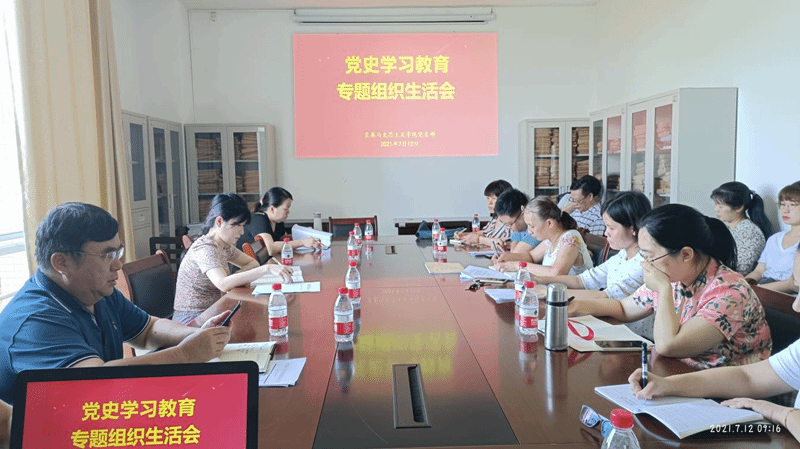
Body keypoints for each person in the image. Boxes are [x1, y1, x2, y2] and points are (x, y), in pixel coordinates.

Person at [0, 203, 235, 405]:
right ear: (62, 262)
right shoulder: (33, 322)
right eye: (107, 255)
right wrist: (185, 355)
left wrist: (196, 334)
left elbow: (148, 330)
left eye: (118, 252)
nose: (118, 265)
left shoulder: (95, 291)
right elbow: (94, 384)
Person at [628, 247, 800, 442]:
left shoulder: (729, 288)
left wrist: (781, 413)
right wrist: (666, 385)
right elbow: (748, 377)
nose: (796, 306)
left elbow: (668, 345)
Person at [569, 204, 772, 369]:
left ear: (686, 254)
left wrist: (664, 290)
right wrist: (572, 306)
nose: (645, 264)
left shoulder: (730, 291)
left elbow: (668, 345)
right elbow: (623, 308)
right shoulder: (676, 275)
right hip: (674, 374)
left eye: (649, 256)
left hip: (724, 394)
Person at [530, 191, 654, 340]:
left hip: (636, 339)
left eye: (611, 228)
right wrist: (540, 279)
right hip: (614, 329)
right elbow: (582, 280)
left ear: (633, 228)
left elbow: (605, 296)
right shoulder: (622, 255)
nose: (606, 233)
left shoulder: (643, 264)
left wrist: (550, 292)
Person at [173, 193, 293, 325]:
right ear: (219, 222)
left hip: (215, 311)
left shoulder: (224, 246)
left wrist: (235, 279)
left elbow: (252, 262)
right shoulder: (205, 248)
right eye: (237, 225)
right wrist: (266, 269)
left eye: (243, 226)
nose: (242, 232)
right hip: (193, 320)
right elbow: (223, 284)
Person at [495, 196, 594, 276]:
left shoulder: (571, 238)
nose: (529, 231)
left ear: (549, 223)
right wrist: (507, 257)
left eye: (532, 226)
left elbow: (556, 273)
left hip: (575, 293)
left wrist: (519, 265)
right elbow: (531, 256)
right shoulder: (550, 240)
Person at [236, 187, 321, 256]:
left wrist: (305, 235)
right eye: (286, 208)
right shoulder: (258, 219)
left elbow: (283, 238)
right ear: (272, 209)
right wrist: (302, 242)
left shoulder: (277, 221)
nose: (288, 211)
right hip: (249, 268)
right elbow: (271, 248)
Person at [711, 181, 772, 275]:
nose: (716, 210)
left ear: (739, 207)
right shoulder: (727, 228)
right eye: (716, 204)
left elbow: (740, 269)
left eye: (721, 206)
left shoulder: (750, 233)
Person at [747, 181, 800, 286]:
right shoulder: (775, 239)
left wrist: (758, 290)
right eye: (783, 204)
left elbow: (793, 285)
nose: (785, 210)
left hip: (784, 292)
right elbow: (759, 271)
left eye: (792, 205)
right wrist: (741, 285)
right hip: (763, 287)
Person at [454, 179, 513, 246]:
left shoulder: (511, 221)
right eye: (488, 198)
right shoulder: (495, 218)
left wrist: (478, 239)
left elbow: (505, 243)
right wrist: (464, 235)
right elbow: (485, 232)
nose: (489, 203)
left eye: (493, 198)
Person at [491, 188, 539, 263]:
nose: (509, 228)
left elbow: (515, 255)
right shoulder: (519, 229)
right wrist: (506, 245)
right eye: (505, 224)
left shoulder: (536, 228)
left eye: (510, 224)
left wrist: (508, 252)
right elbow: (514, 245)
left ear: (523, 214)